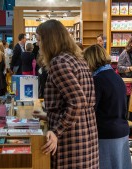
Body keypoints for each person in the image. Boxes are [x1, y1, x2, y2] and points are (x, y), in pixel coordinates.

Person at [36, 19, 99, 168]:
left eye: (39, 40)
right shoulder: (78, 59)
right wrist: (49, 116)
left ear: (50, 40)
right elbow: (77, 101)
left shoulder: (59, 62)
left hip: (72, 137)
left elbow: (77, 102)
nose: (38, 44)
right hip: (85, 130)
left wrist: (56, 131)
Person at [84, 44, 131, 169]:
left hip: (106, 132)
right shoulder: (116, 77)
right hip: (122, 129)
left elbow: (90, 109)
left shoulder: (98, 80)